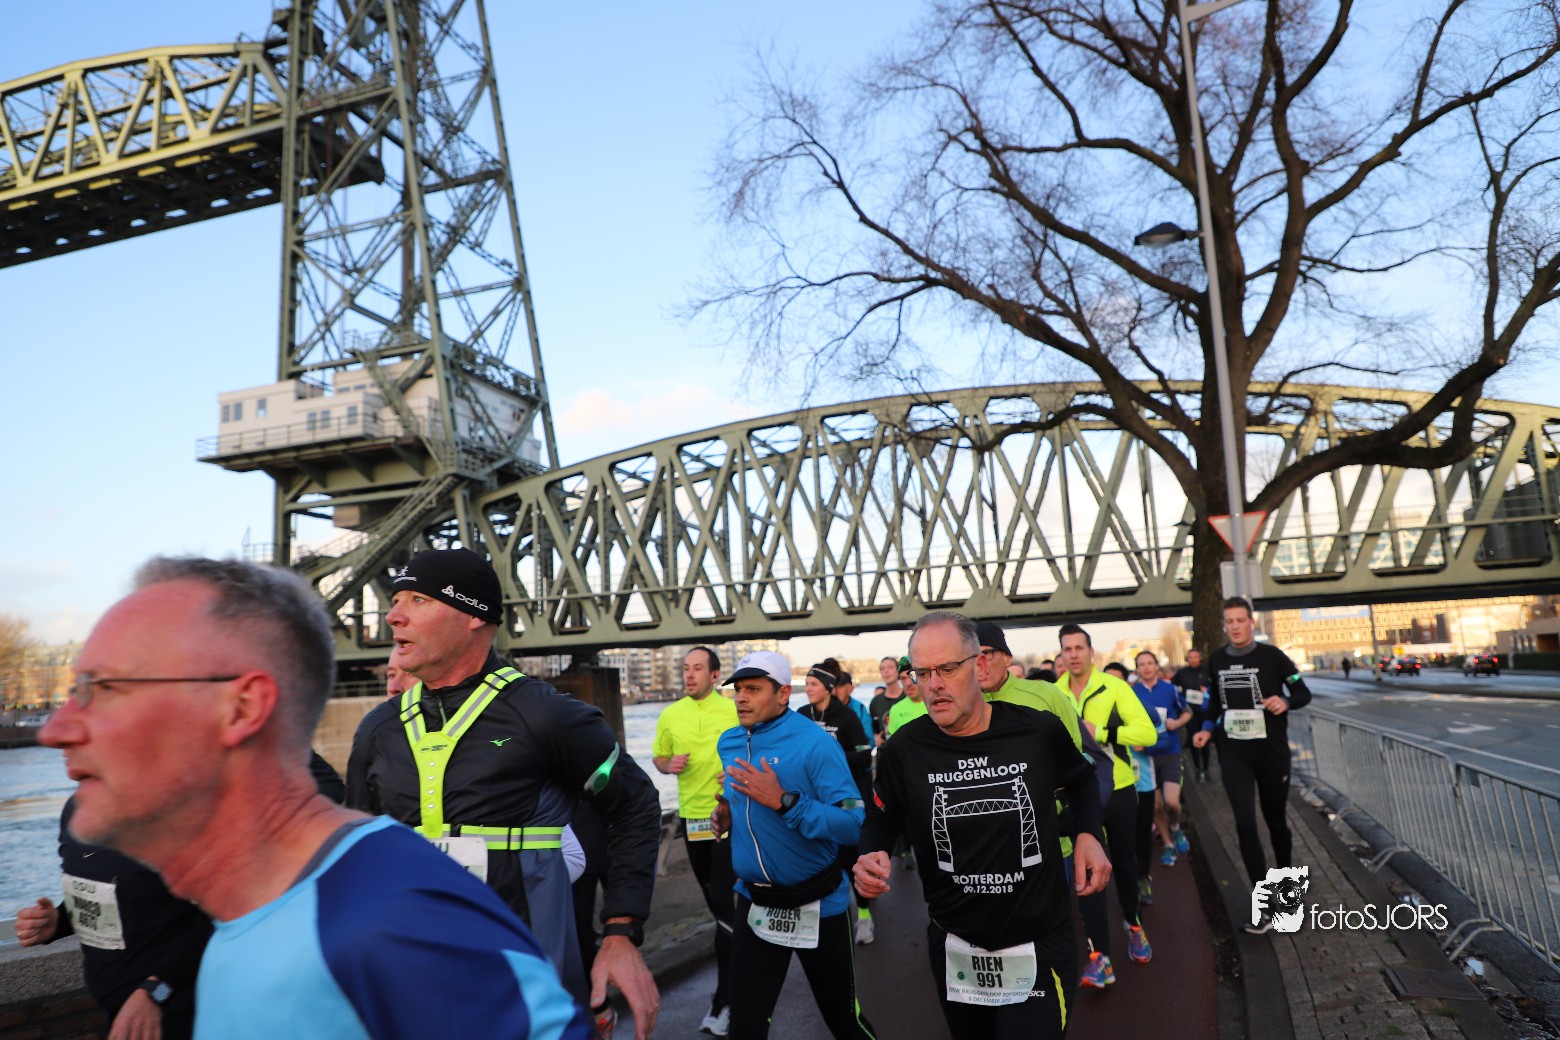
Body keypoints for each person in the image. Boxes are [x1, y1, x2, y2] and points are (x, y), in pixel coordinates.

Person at [39, 555, 588, 1039]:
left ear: (241, 709)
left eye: (107, 688)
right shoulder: (248, 931)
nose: (55, 729)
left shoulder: (389, 921)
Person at [346, 548, 661, 1036]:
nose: (393, 615)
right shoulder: (378, 729)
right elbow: (358, 855)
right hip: (414, 984)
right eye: (396, 600)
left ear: (474, 615)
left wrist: (621, 930)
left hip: (528, 992)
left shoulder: (546, 715)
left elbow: (634, 804)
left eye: (419, 600)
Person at [854, 612, 1111, 1039]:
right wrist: (870, 853)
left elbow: (1083, 780)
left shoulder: (1035, 731)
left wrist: (1088, 834)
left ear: (978, 665)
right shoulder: (905, 750)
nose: (933, 684)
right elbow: (881, 819)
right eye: (922, 673)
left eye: (947, 669)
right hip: (955, 945)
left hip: (1037, 943)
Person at [713, 651, 876, 1039]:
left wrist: (785, 802)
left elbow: (853, 824)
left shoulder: (815, 744)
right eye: (738, 689)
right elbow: (744, 798)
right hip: (756, 903)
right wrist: (731, 813)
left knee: (844, 1022)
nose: (741, 698)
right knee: (744, 1027)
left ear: (784, 693)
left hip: (817, 904)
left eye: (754, 689)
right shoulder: (729, 741)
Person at [16, 796, 213, 1040]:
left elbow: (220, 918)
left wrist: (156, 990)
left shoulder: (172, 810)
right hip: (117, 1013)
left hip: (180, 1011)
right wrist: (58, 922)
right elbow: (106, 890)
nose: (73, 774)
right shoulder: (74, 809)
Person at [1192, 597, 1313, 934]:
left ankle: (1287, 897)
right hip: (1234, 754)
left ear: (1251, 622)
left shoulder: (1273, 656)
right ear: (1225, 624)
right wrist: (1206, 729)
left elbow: (1302, 692)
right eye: (1229, 621)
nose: (1234, 626)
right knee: (1245, 823)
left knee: (1276, 822)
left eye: (1239, 620)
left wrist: (1284, 701)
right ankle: (1264, 908)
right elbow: (1213, 703)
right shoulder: (1217, 659)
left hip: (1271, 753)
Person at [1055, 623, 1159, 988]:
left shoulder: (1114, 688)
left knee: (1125, 864)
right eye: (1067, 648)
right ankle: (1099, 957)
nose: (1073, 654)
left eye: (1079, 647)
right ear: (1061, 654)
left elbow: (1147, 733)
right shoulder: (1054, 694)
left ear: (1090, 652)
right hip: (1078, 794)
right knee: (1085, 869)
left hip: (1118, 788)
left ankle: (1134, 925)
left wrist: (1100, 733)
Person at [652, 646, 739, 1036]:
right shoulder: (671, 715)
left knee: (722, 902)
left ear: (715, 675)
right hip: (692, 819)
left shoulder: (733, 710)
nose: (689, 675)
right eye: (686, 668)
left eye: (697, 669)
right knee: (718, 906)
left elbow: (758, 747)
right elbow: (659, 757)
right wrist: (668, 765)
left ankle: (725, 1000)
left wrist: (735, 771)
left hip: (729, 814)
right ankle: (748, 963)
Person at [801, 662, 877, 944]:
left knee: (851, 858)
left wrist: (832, 755)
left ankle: (865, 916)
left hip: (846, 799)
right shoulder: (801, 715)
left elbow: (865, 755)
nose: (807, 689)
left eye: (813, 685)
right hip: (815, 800)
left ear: (828, 688)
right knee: (821, 858)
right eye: (806, 684)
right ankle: (828, 915)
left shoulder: (846, 717)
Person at [1131, 651, 1192, 883]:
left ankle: (1175, 825)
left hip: (1170, 752)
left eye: (1150, 663)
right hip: (1145, 757)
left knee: (1171, 802)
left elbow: (1188, 712)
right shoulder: (1132, 693)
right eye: (1141, 664)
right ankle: (1167, 844)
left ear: (1157, 666)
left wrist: (1177, 722)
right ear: (1137, 669)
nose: (1146, 667)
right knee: (1155, 805)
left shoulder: (1170, 689)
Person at [1173, 649, 1212, 782]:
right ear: (1187, 659)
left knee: (1205, 741)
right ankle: (1197, 769)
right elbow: (1173, 687)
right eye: (1190, 657)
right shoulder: (1182, 673)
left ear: (1200, 658)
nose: (1193, 659)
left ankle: (1206, 769)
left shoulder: (1207, 671)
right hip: (1190, 713)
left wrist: (1208, 691)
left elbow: (1216, 687)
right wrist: (1181, 699)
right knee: (1193, 740)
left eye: (1196, 657)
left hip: (1205, 711)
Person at [868, 657, 904, 746]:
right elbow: (873, 726)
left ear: (898, 671)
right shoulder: (875, 701)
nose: (886, 671)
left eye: (890, 667)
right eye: (882, 669)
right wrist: (875, 737)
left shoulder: (908, 697)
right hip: (885, 749)